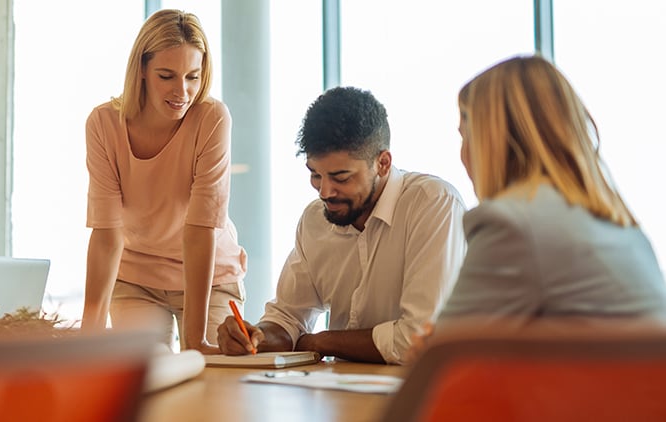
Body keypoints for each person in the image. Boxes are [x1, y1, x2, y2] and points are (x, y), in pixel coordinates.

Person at [407, 55, 666, 360]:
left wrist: (431, 349)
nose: (462, 153)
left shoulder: (511, 223)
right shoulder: (619, 223)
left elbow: (441, 366)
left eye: (465, 135)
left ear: (489, 139)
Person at [216, 86, 467, 364]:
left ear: (382, 163)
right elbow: (287, 317)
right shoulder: (314, 220)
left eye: (341, 177)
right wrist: (255, 337)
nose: (325, 191)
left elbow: (418, 338)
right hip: (341, 391)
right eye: (315, 175)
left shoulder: (433, 204)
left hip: (421, 395)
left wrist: (320, 342)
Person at [82, 9, 247, 355]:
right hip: (137, 276)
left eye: (192, 76)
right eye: (167, 76)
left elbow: (200, 230)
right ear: (141, 69)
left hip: (209, 276)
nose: (182, 91)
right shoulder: (103, 124)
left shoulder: (212, 119)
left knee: (209, 379)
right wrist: (88, 336)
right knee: (144, 375)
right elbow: (107, 235)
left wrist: (197, 341)